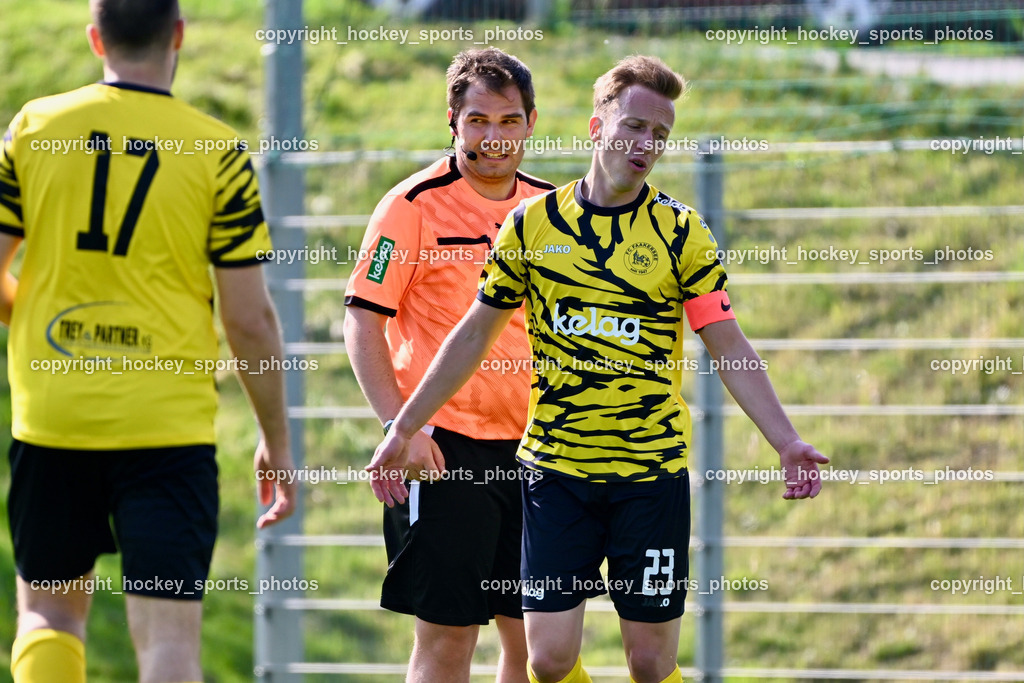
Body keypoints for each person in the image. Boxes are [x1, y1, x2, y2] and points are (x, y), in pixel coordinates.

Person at [368, 55, 830, 683]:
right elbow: (473, 333)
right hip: (555, 473)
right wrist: (402, 426)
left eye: (659, 136)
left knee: (649, 663)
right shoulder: (532, 226)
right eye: (634, 127)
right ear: (596, 125)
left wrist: (787, 440)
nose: (645, 145)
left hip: (649, 473)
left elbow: (727, 341)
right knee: (548, 660)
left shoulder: (681, 233)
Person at [0, 1, 296, 681]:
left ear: (95, 37)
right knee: (169, 641)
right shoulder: (216, 152)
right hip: (166, 429)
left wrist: (46, 335)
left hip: (53, 416)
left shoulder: (35, 127)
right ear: (181, 37)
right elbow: (249, 320)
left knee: (48, 614)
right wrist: (276, 443)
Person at [343, 48, 554, 683]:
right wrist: (402, 429)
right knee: (446, 642)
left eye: (509, 120)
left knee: (537, 646)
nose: (494, 137)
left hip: (538, 452)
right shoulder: (410, 205)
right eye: (479, 121)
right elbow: (361, 321)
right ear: (453, 122)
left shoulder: (553, 211)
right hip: (442, 455)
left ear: (532, 121)